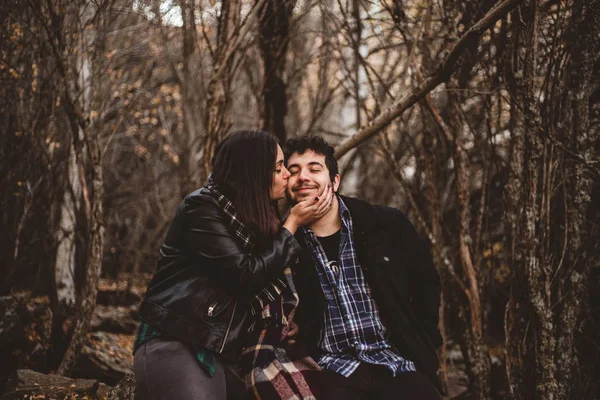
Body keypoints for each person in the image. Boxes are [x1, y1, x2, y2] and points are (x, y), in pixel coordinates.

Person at [133, 130, 333, 400]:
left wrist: (284, 322)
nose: (287, 174)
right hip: (178, 340)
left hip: (224, 351)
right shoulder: (202, 208)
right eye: (278, 168)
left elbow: (267, 285)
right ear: (254, 174)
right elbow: (245, 273)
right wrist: (292, 225)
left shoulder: (255, 222)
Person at [284, 135, 444, 400]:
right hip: (331, 372)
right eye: (294, 171)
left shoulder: (386, 224)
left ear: (334, 181)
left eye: (314, 169)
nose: (303, 177)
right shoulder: (284, 245)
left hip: (397, 363)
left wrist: (424, 341)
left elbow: (426, 282)